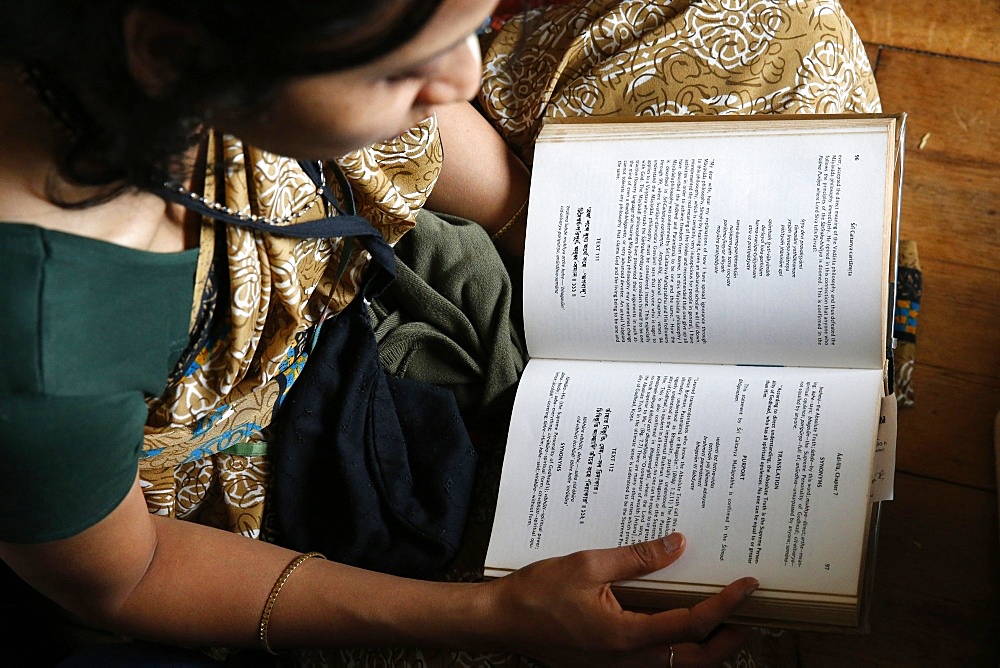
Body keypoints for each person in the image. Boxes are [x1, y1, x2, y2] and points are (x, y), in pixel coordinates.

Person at [0, 0, 879, 666]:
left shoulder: (235, 43)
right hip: (242, 493)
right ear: (175, 58)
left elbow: (419, 118)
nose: (467, 80)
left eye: (476, 23)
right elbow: (129, 573)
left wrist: (562, 239)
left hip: (340, 257)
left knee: (765, 25)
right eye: (402, 70)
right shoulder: (43, 341)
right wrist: (500, 618)